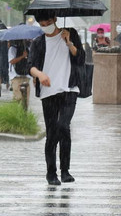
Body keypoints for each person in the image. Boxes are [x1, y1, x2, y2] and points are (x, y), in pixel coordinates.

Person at [27, 10, 85, 186]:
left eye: (48, 23)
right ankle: (51, 173)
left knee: (63, 126)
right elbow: (30, 66)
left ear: (55, 19)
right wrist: (39, 74)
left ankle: (65, 171)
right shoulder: (38, 42)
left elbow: (81, 58)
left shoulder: (71, 34)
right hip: (48, 91)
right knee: (52, 133)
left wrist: (70, 44)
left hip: (69, 89)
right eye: (42, 25)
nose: (45, 27)